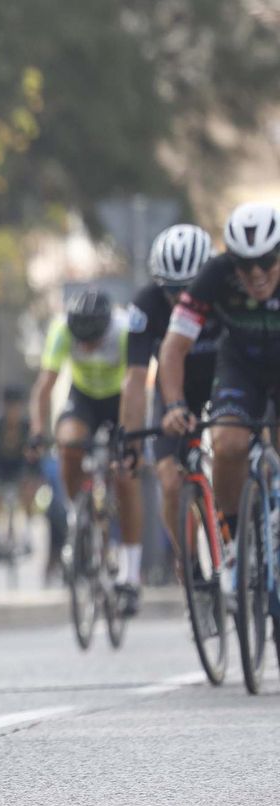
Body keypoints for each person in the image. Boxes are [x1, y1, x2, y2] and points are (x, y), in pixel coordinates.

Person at [162, 203, 280, 600]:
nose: (256, 274)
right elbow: (173, 347)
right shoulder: (215, 275)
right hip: (240, 366)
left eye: (267, 261)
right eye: (245, 265)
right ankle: (232, 542)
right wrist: (175, 405)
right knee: (228, 444)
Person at [31, 288, 143, 613]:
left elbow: (136, 384)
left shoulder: (124, 331)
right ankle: (78, 514)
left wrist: (131, 442)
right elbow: (45, 386)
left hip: (121, 399)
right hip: (83, 397)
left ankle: (130, 574)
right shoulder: (61, 329)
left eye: (93, 341)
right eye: (81, 341)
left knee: (125, 476)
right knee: (68, 446)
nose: (87, 348)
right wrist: (37, 432)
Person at [123, 224, 214, 567]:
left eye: (189, 288)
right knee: (170, 481)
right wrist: (131, 442)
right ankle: (189, 563)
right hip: (173, 393)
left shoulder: (223, 292)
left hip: (221, 382)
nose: (180, 299)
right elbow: (135, 379)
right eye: (171, 289)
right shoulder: (146, 305)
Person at [0, 384, 42, 557]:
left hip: (19, 469)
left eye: (17, 407)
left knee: (28, 491)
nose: (14, 411)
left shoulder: (26, 427)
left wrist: (32, 476)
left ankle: (27, 536)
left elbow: (33, 458)